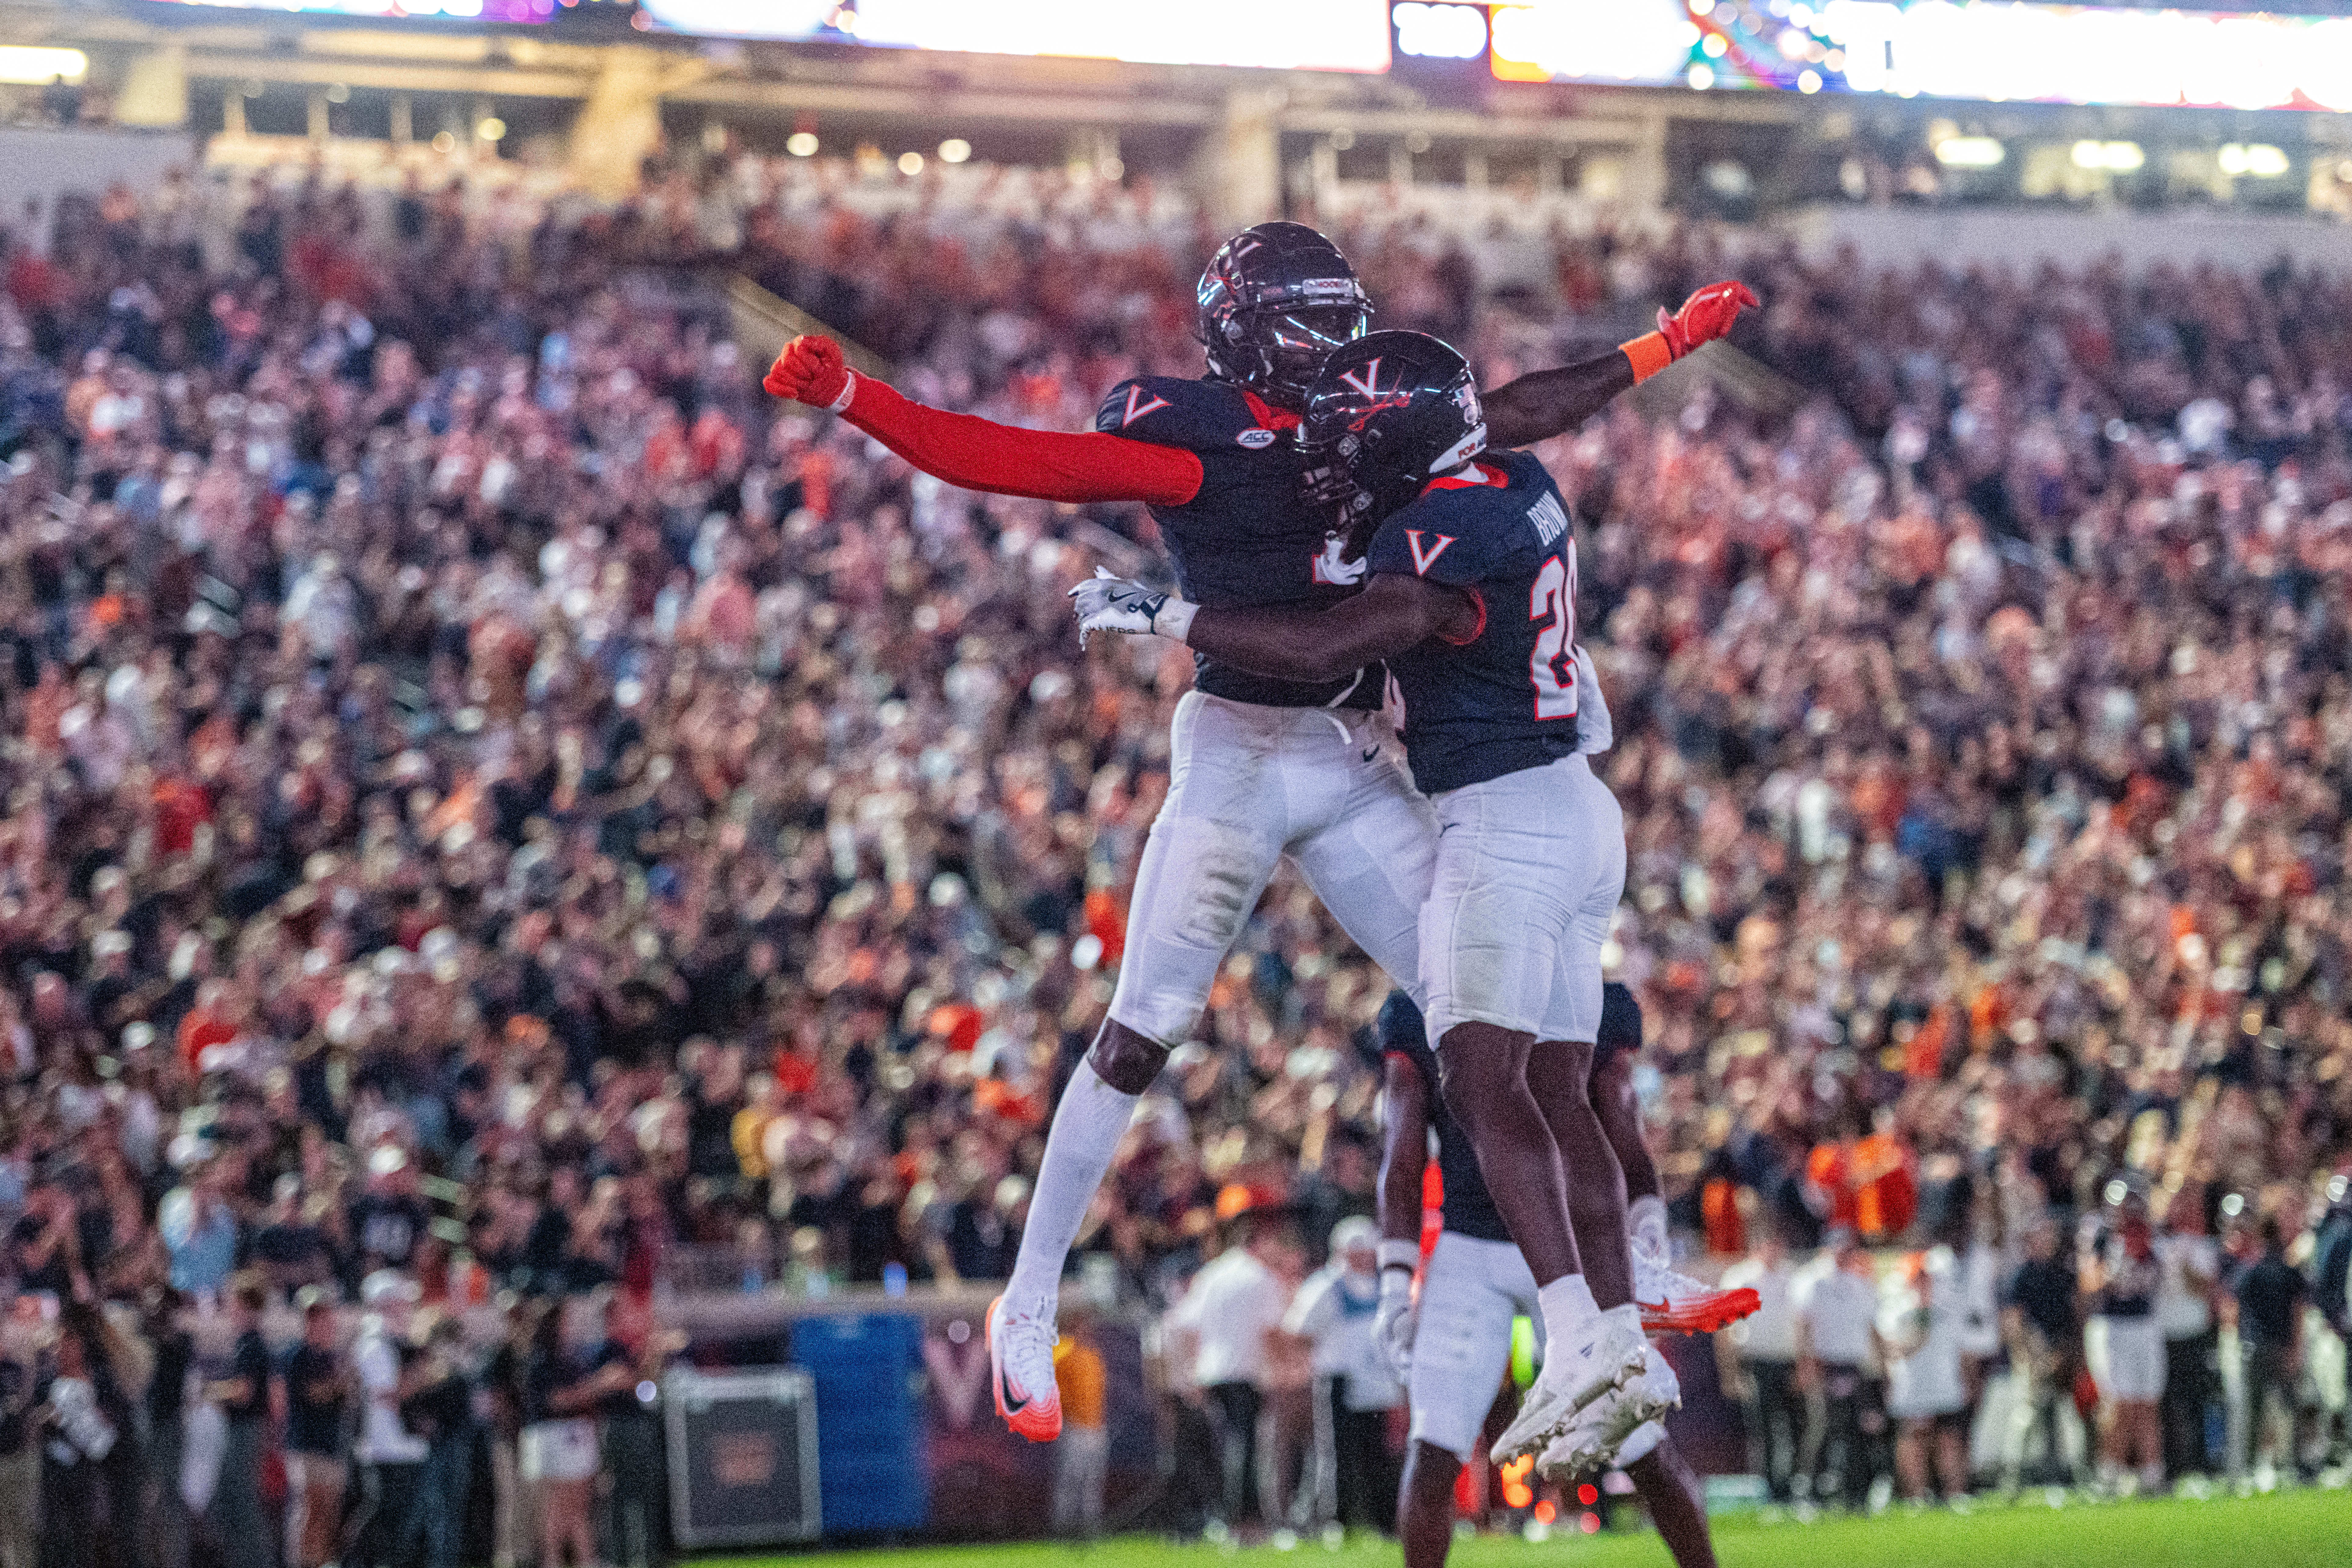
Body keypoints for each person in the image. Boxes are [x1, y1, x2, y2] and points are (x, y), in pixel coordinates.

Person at [765, 235, 1755, 1444]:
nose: (1340, 340)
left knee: (1509, 1029)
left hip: (1350, 761)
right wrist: (860, 400)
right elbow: (1026, 461)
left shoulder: (1372, 406)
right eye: (1316, 321)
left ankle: (1609, 1299)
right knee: (1142, 1030)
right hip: (1238, 753)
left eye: (1346, 314)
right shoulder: (1205, 436)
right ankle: (1026, 1297)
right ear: (1254, 334)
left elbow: (1515, 408)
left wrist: (1666, 342)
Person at [1076, 329, 1711, 1475]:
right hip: (1579, 810)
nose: (1337, 451)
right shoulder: (1507, 479)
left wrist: (1167, 616)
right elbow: (1522, 408)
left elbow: (1329, 637)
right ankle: (1621, 1333)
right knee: (1559, 1084)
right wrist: (1657, 345)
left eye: (1357, 435)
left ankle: (1577, 1333)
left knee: (1481, 1080)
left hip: (1502, 820)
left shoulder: (1435, 535)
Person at [1374, 992, 1718, 1568]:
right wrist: (1393, 1280)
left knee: (1640, 1446)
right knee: (1435, 1448)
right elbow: (1402, 1155)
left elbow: (1624, 1135)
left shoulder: (1588, 997)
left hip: (1570, 1249)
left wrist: (1644, 1229)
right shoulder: (1424, 1002)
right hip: (1472, 1248)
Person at [1167, 1212, 1299, 1536]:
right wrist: (1286, 1369)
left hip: (1213, 1372)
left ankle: (1225, 1515)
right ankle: (1245, 1520)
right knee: (1245, 1447)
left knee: (1228, 1445)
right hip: (1245, 1372)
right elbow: (1271, 1331)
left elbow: (1184, 1325)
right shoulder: (1261, 1278)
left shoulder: (1212, 1274)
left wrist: (1188, 1372)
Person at [1282, 1217, 1399, 1535]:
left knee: (1379, 1455)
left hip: (1376, 1383)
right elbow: (1297, 1331)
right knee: (1337, 1454)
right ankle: (1337, 1520)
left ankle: (1383, 1522)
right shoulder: (1326, 1286)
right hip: (1338, 1380)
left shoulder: (1383, 1286)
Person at [1797, 1230, 1888, 1511]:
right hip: (1825, 1363)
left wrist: (1883, 1365)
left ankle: (1856, 1494)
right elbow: (1804, 1326)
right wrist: (1806, 1364)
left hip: (1854, 1364)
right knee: (1823, 1426)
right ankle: (1808, 1491)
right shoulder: (1813, 1282)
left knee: (1858, 1427)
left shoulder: (1861, 1285)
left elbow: (1872, 1328)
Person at [1717, 1226, 1805, 1505]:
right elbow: (1725, 1331)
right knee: (1764, 1429)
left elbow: (1803, 1324)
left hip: (1787, 1360)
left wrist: (1803, 1364)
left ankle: (1792, 1483)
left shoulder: (1793, 1277)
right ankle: (1770, 1490)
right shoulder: (1740, 1279)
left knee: (1796, 1426)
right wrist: (1730, 1374)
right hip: (1755, 1361)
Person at [2081, 1200, 2164, 1494]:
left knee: (2147, 1403)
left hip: (2144, 1324)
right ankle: (2109, 1475)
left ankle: (2152, 1476)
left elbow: (2158, 1282)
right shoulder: (2100, 1236)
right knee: (2117, 1404)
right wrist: (2109, 1273)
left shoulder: (2150, 1236)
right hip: (2113, 1326)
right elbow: (2087, 1282)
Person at [348, 1270, 428, 1568]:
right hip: (385, 1446)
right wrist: (426, 1377)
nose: (408, 1308)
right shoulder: (374, 1344)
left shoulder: (402, 1344)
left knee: (401, 1523)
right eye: (400, 1302)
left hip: (406, 1445)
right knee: (382, 1515)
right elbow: (389, 1394)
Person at [1880, 1252, 1969, 1502]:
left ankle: (1955, 1494)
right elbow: (1893, 1348)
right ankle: (1915, 1496)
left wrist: (1965, 1378)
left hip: (1945, 1386)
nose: (1924, 1284)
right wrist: (1920, 1318)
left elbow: (1961, 1349)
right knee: (1913, 1442)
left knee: (1949, 1440)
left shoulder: (1948, 1310)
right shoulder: (1897, 1312)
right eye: (1918, 1279)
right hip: (1912, 1389)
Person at [2000, 1219, 2082, 1489]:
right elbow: (2014, 1323)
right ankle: (2013, 1477)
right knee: (2026, 1414)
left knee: (2068, 1414)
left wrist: (2063, 1354)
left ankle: (2077, 1472)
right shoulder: (2020, 1276)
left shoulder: (2062, 1273)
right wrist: (2030, 1358)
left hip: (2060, 1352)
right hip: (2031, 1353)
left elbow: (2074, 1317)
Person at [519, 1300, 601, 1568]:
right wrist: (599, 1386)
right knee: (557, 1504)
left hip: (567, 1435)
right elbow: (554, 1400)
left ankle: (585, 1559)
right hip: (556, 1436)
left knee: (577, 1506)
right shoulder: (543, 1360)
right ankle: (553, 1560)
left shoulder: (565, 1358)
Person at [395, 1313, 476, 1568]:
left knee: (445, 1515)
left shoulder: (458, 1372)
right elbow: (408, 1404)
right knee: (430, 1515)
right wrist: (420, 1421)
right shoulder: (427, 1369)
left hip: (452, 1446)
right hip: (431, 1449)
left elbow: (458, 1407)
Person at [207, 1273, 275, 1568]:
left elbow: (244, 1392)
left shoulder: (250, 1345)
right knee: (232, 1499)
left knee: (240, 1500)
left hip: (245, 1430)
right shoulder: (247, 1343)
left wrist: (209, 1391)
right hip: (243, 1429)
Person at [2153, 1192, 2220, 1485]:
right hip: (2163, 1334)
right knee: (2166, 1404)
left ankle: (2199, 1464)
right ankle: (2171, 1465)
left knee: (2196, 1401)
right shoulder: (2156, 1245)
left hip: (2194, 1332)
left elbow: (2205, 1288)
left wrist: (2183, 1265)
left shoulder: (2203, 1246)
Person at [2235, 1215, 2306, 1482]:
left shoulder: (2251, 1270)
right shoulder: (2288, 1270)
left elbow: (2238, 1309)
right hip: (2282, 1345)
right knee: (2287, 1406)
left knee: (2255, 1409)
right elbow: (2298, 1310)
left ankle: (2250, 1468)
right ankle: (2290, 1465)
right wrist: (2295, 1348)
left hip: (2255, 1347)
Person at [281, 1288, 348, 1568]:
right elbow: (313, 1393)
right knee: (309, 1510)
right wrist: (342, 1382)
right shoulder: (296, 1355)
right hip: (306, 1444)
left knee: (328, 1514)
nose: (322, 1321)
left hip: (333, 1444)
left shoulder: (333, 1356)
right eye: (315, 1316)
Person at [1049, 1304, 1109, 1541]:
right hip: (1074, 1428)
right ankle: (1063, 1529)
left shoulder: (1093, 1357)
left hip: (1096, 1428)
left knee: (1093, 1482)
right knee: (1070, 1481)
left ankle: (1089, 1530)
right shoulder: (1063, 1352)